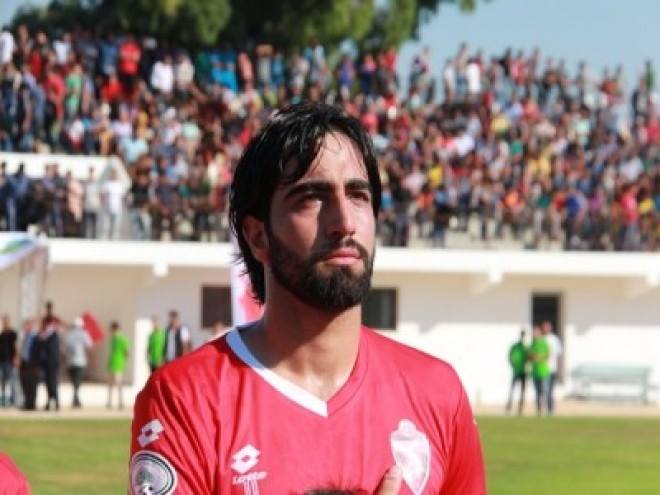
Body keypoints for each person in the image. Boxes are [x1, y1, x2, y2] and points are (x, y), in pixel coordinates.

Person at [130, 103, 485, 494]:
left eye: (358, 195)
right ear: (258, 236)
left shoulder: (437, 391)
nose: (344, 222)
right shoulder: (185, 398)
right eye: (312, 198)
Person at [64, 317, 92, 408]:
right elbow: (89, 346)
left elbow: (65, 348)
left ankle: (75, 399)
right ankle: (76, 399)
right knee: (78, 381)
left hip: (70, 361)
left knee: (74, 382)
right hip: (81, 361)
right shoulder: (84, 334)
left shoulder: (69, 335)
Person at [34, 320, 60, 411]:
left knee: (53, 384)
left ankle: (56, 403)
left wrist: (44, 339)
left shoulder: (53, 336)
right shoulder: (44, 336)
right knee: (48, 384)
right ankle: (49, 402)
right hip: (45, 365)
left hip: (52, 365)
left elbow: (52, 350)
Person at [505, 329, 528, 415]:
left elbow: (529, 357)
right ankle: (509, 405)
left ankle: (520, 407)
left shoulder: (525, 347)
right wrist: (513, 363)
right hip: (516, 371)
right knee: (512, 389)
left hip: (523, 371)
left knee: (522, 390)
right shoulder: (515, 346)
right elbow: (510, 356)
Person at [107, 321, 129, 409]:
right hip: (112, 363)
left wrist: (124, 363)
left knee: (118, 384)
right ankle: (109, 402)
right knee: (110, 384)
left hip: (118, 364)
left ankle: (120, 402)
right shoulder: (113, 339)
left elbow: (126, 352)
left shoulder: (121, 339)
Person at [18, 319, 39, 411]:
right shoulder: (24, 337)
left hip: (32, 364)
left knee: (32, 384)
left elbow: (37, 352)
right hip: (24, 363)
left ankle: (32, 404)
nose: (24, 327)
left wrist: (36, 364)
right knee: (25, 384)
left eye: (26, 325)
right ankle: (27, 403)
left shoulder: (35, 337)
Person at [543, 320, 563, 416]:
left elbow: (559, 355)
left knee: (550, 390)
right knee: (545, 390)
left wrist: (559, 368)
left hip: (553, 368)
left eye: (547, 327)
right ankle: (546, 409)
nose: (546, 328)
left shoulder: (555, 339)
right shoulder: (542, 339)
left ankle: (550, 410)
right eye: (545, 327)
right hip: (544, 369)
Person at [530, 325, 550, 416]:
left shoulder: (544, 343)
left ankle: (548, 410)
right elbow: (530, 356)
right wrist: (534, 357)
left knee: (545, 391)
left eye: (535, 332)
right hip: (535, 372)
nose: (534, 334)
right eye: (533, 332)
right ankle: (539, 411)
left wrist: (539, 358)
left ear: (539, 333)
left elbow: (548, 355)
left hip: (543, 372)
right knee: (537, 393)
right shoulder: (532, 344)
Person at [0, 314, 18, 407]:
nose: (5, 323)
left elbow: (15, 346)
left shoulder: (12, 333)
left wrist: (15, 358)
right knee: (2, 382)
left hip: (10, 361)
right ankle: (3, 399)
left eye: (6, 321)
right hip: (2, 361)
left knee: (12, 381)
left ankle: (13, 400)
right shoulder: (2, 334)